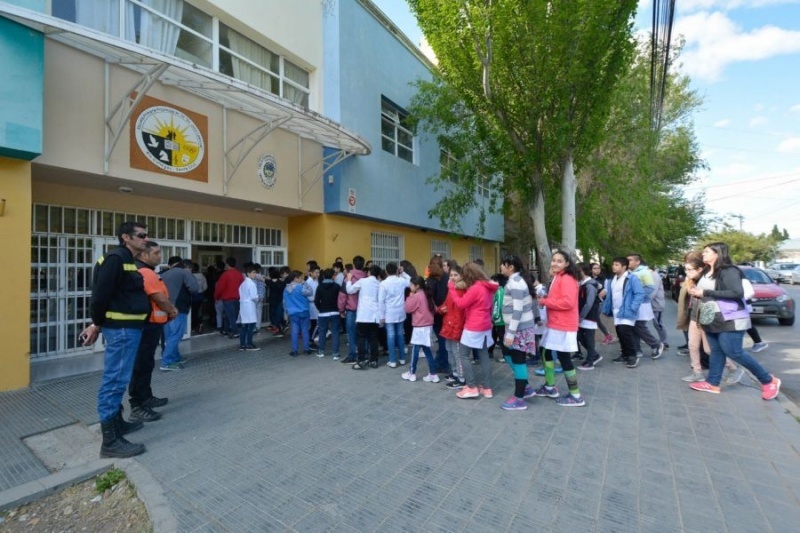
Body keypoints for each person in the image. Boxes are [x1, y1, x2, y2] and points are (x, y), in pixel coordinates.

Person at [79, 221, 151, 458]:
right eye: (141, 236)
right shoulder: (115, 259)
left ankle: (117, 424)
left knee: (119, 378)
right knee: (115, 381)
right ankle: (110, 442)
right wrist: (96, 323)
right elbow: (100, 296)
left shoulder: (127, 260)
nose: (146, 240)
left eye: (146, 236)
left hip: (129, 328)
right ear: (125, 238)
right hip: (120, 330)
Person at [687, 242, 781, 399]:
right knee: (716, 351)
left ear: (717, 254)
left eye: (707, 252)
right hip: (711, 318)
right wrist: (697, 292)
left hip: (731, 318)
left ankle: (768, 380)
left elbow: (737, 292)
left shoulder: (729, 270)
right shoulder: (706, 271)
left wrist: (706, 292)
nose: (703, 254)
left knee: (734, 351)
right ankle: (712, 383)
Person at [128, 241, 178, 423]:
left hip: (149, 324)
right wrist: (172, 310)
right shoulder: (145, 272)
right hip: (146, 325)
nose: (160, 256)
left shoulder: (142, 270)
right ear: (144, 255)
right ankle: (137, 405)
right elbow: (158, 297)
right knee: (140, 364)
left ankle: (146, 397)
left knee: (146, 362)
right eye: (156, 253)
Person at [531, 249, 585, 407]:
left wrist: (545, 302)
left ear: (567, 264)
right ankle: (550, 386)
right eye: (553, 260)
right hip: (556, 323)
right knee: (545, 351)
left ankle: (576, 395)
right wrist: (547, 299)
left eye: (559, 261)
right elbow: (559, 299)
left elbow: (568, 302)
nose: (555, 263)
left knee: (564, 357)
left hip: (563, 324)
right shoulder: (559, 277)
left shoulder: (567, 278)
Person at [447, 262, 499, 399]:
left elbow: (461, 304)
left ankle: (471, 387)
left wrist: (452, 288)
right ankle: (487, 388)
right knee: (484, 355)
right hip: (485, 325)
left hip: (473, 326)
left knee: (463, 354)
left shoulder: (476, 288)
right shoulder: (488, 287)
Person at [498, 255, 536, 411]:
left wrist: (511, 333)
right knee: (507, 353)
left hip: (519, 329)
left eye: (502, 264)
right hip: (516, 328)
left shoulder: (515, 283)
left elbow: (518, 310)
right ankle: (525, 386)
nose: (500, 267)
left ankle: (519, 398)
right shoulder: (515, 281)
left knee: (519, 360)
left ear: (510, 267)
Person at [602, 257, 644, 368]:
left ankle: (632, 356)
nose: (613, 266)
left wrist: (633, 307)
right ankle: (625, 354)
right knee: (620, 333)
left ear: (624, 266)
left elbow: (639, 294)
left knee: (625, 332)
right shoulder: (612, 279)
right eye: (613, 264)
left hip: (627, 310)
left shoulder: (632, 278)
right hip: (616, 311)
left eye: (616, 264)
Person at [160, 258, 199, 371]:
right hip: (178, 308)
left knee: (169, 336)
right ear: (188, 267)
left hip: (165, 308)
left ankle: (175, 357)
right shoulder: (184, 273)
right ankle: (167, 362)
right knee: (176, 334)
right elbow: (194, 288)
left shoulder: (165, 273)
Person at [627, 254, 665, 359]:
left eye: (630, 260)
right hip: (634, 303)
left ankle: (656, 344)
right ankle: (637, 349)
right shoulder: (631, 272)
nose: (628, 262)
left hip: (642, 304)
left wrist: (636, 296)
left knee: (639, 326)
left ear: (638, 262)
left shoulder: (644, 272)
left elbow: (649, 288)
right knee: (633, 326)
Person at [401, 276, 438, 383]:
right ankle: (433, 373)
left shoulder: (417, 296)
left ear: (417, 286)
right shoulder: (427, 294)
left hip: (419, 326)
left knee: (415, 350)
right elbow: (434, 309)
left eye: (411, 285)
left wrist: (409, 297)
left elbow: (408, 309)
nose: (410, 286)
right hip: (428, 326)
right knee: (427, 350)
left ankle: (412, 373)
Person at [346, 264, 383, 369]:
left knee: (361, 338)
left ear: (369, 272)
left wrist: (349, 279)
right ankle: (374, 360)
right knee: (373, 339)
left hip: (363, 315)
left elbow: (350, 290)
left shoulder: (363, 281)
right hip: (374, 315)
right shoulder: (379, 284)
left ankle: (362, 360)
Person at [440, 265, 466, 390]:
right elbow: (446, 304)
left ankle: (461, 378)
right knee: (450, 351)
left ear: (461, 276)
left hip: (455, 326)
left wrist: (457, 331)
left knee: (457, 353)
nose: (453, 277)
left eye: (455, 275)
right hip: (448, 324)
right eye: (451, 275)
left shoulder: (460, 290)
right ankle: (455, 373)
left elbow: (460, 314)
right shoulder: (451, 289)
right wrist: (441, 309)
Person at [379, 262, 410, 367]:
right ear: (397, 270)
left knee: (391, 335)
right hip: (400, 311)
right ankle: (402, 359)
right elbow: (410, 281)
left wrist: (381, 316)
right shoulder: (401, 280)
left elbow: (381, 301)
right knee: (400, 335)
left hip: (389, 313)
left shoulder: (383, 283)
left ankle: (392, 360)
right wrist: (404, 273)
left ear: (386, 271)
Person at [338, 257, 366, 364]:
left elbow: (342, 295)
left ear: (353, 265)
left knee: (351, 333)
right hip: (363, 309)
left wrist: (341, 309)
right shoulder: (366, 277)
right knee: (364, 333)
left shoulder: (348, 278)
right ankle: (365, 353)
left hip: (351, 309)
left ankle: (352, 355)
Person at [426, 256, 451, 375]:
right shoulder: (447, 278)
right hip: (447, 311)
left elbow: (429, 298)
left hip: (436, 314)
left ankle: (443, 364)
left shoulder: (430, 280)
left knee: (442, 339)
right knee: (444, 338)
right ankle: (441, 362)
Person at [576, 264, 603, 370]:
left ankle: (590, 360)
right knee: (579, 336)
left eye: (577, 271)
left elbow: (589, 303)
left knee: (589, 338)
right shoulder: (583, 284)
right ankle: (594, 355)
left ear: (582, 271)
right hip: (583, 316)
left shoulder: (590, 285)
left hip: (589, 316)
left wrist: (581, 316)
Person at [315, 268, 342, 359]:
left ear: (323, 276)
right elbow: (341, 300)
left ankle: (321, 351)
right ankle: (335, 353)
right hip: (335, 312)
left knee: (322, 332)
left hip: (323, 313)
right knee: (335, 332)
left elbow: (316, 301)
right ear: (333, 276)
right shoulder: (337, 286)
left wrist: (320, 308)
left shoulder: (320, 286)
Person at [284, 270, 312, 356]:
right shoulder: (301, 288)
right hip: (304, 311)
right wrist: (305, 283)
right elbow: (310, 292)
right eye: (301, 278)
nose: (302, 280)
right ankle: (306, 349)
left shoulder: (286, 289)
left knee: (295, 332)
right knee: (305, 331)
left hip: (293, 313)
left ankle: (295, 351)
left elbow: (284, 302)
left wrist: (286, 314)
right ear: (296, 278)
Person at [214, 257, 243, 338]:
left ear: (227, 264)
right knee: (229, 315)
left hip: (227, 299)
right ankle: (225, 330)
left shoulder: (225, 275)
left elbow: (219, 288)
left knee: (230, 316)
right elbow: (242, 286)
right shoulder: (239, 274)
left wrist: (216, 297)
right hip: (237, 298)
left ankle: (235, 332)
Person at [590, 263, 614, 344]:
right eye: (595, 268)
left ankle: (607, 335)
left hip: (600, 302)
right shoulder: (589, 278)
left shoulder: (603, 279)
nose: (597, 270)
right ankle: (607, 335)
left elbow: (605, 291)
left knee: (595, 318)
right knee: (595, 319)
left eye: (598, 268)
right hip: (590, 302)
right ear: (591, 270)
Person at [238, 264, 260, 351]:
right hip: (250, 307)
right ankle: (249, 344)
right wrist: (258, 299)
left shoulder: (243, 284)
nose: (255, 274)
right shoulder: (251, 284)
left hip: (243, 307)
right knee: (250, 327)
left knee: (244, 327)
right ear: (248, 273)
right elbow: (254, 297)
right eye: (253, 273)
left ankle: (242, 344)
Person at [190, 263, 207, 334]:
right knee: (198, 311)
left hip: (192, 296)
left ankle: (193, 326)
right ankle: (199, 324)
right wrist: (201, 290)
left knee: (192, 312)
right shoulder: (202, 276)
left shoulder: (190, 276)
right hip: (200, 296)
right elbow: (205, 287)